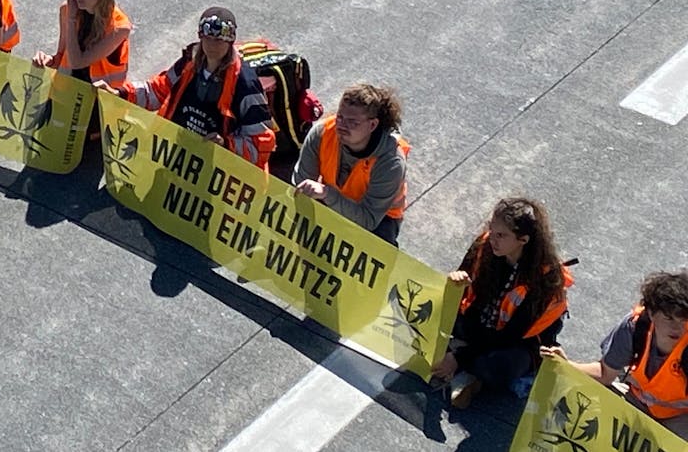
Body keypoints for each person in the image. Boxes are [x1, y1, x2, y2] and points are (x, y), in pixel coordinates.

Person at [432, 197, 572, 409]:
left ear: (523, 240)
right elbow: (461, 293)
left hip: (516, 342)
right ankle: (462, 365)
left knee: (498, 367)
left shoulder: (544, 279)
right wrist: (455, 284)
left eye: (501, 236)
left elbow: (510, 336)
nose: (492, 240)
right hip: (481, 321)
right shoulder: (485, 245)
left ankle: (468, 372)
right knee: (427, 310)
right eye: (492, 230)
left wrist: (459, 357)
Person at [118, 7, 275, 168]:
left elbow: (260, 146)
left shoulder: (246, 84)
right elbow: (158, 90)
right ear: (200, 36)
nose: (213, 45)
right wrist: (121, 93)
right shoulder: (189, 61)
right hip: (179, 155)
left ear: (230, 41)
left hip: (219, 168)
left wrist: (226, 145)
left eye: (220, 40)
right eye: (208, 38)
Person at [545, 270, 688, 439]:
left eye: (684, 320)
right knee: (585, 403)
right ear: (651, 313)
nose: (677, 328)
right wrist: (565, 364)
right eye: (669, 318)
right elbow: (605, 374)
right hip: (636, 403)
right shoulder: (634, 328)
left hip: (679, 417)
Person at [291, 83, 408, 246]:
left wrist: (327, 194)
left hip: (379, 217)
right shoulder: (322, 133)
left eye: (353, 122)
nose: (342, 126)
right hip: (332, 197)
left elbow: (368, 219)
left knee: (375, 252)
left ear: (372, 125)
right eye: (340, 117)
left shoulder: (390, 161)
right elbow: (300, 184)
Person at [33, 0, 131, 89]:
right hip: (65, 91)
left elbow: (77, 62)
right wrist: (48, 60)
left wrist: (71, 19)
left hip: (100, 98)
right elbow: (62, 56)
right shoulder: (67, 10)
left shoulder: (120, 27)